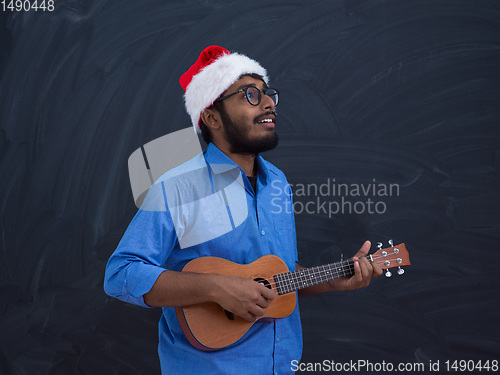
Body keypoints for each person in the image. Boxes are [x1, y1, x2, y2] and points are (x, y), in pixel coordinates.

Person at [104, 45, 382, 374]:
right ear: (211, 116)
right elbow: (121, 274)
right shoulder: (177, 187)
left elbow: (276, 277)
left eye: (267, 94)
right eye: (249, 95)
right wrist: (214, 287)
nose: (268, 103)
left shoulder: (277, 183)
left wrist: (334, 280)